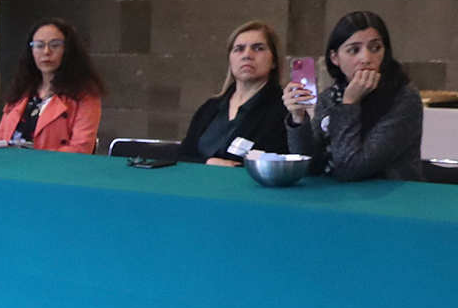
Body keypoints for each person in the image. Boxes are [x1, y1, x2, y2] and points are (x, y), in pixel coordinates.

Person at [285, 10, 423, 181]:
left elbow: (351, 168)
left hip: (388, 194)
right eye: (354, 50)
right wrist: (298, 118)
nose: (366, 58)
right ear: (335, 58)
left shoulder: (404, 98)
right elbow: (308, 167)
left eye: (375, 48)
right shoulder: (330, 96)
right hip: (336, 192)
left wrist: (349, 104)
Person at [176, 22, 291, 164]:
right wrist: (209, 163)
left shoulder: (284, 111)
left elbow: (277, 162)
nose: (247, 55)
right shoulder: (209, 108)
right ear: (230, 60)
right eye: (239, 49)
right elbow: (182, 157)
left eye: (258, 48)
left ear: (274, 61)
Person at [0, 18, 101, 151]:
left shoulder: (84, 94)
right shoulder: (21, 90)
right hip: (9, 161)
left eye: (55, 45)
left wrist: (40, 161)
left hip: (54, 163)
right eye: (39, 45)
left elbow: (81, 147)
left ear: (68, 50)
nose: (46, 52)